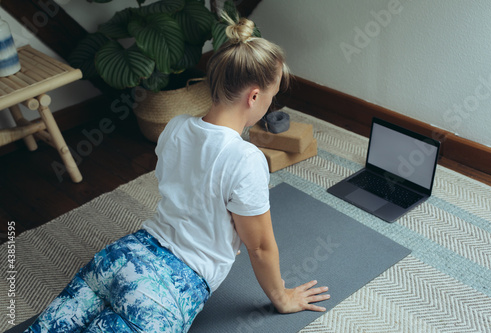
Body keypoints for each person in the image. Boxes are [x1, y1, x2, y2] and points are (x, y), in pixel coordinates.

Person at [24, 13, 329, 333]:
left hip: (118, 258)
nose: (271, 103)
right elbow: (260, 247)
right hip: (164, 293)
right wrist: (281, 297)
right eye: (272, 95)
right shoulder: (245, 159)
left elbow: (188, 184)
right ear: (254, 96)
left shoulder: (176, 126)